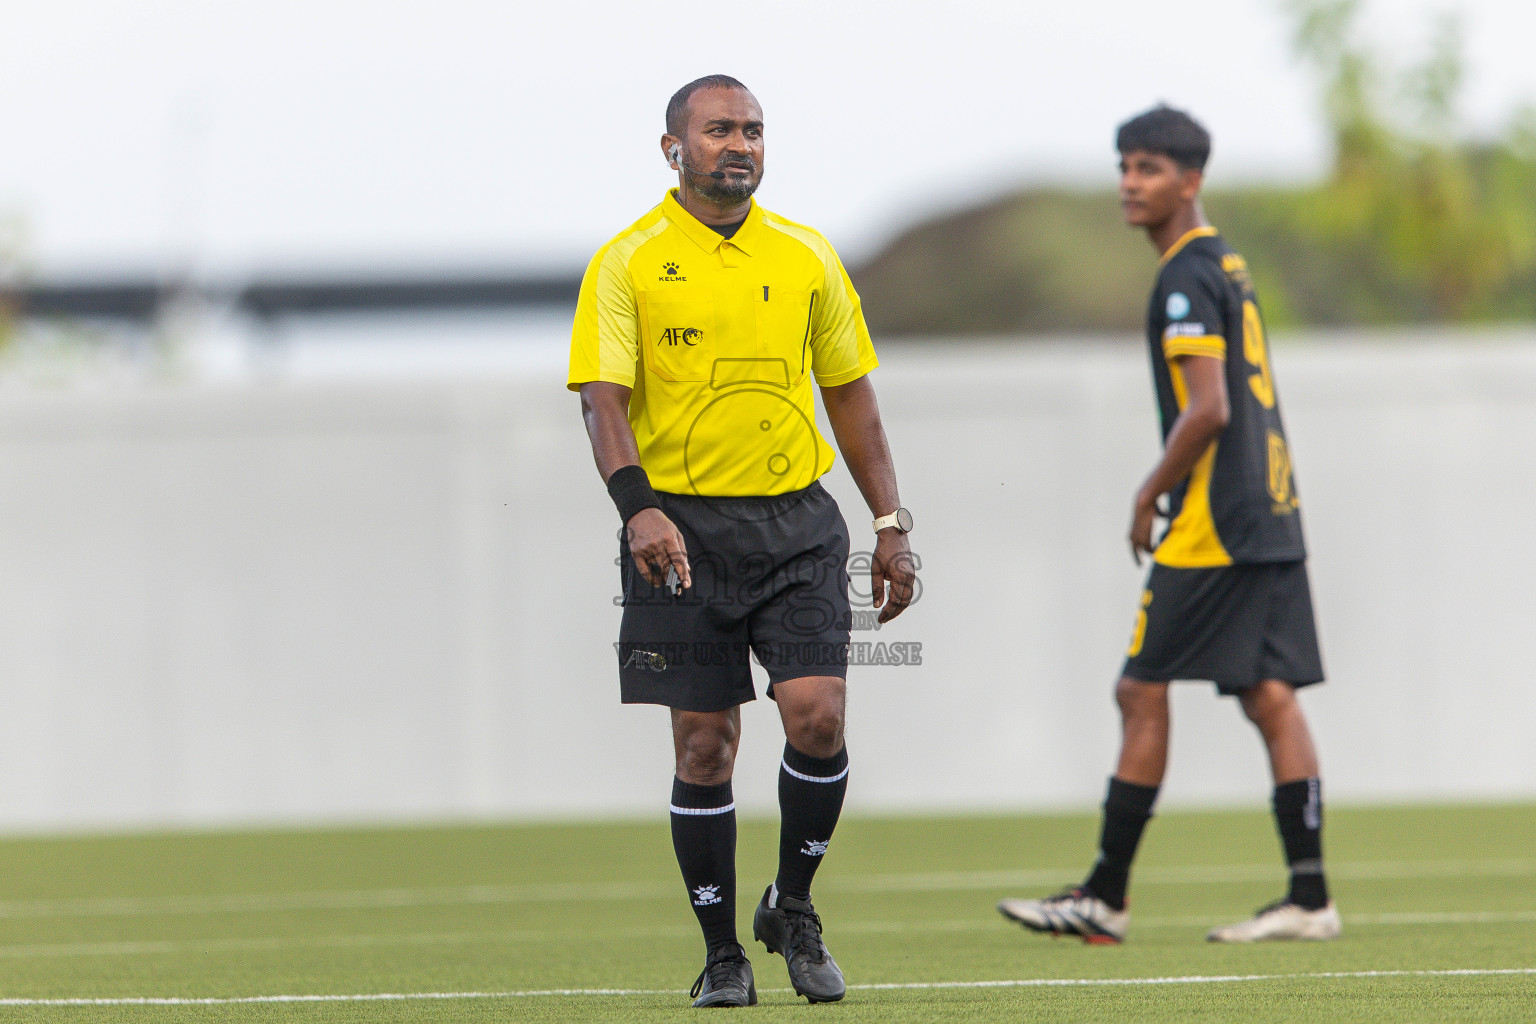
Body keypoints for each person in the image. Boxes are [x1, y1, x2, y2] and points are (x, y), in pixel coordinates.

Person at [568, 74, 916, 1006]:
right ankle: (722, 953)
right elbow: (604, 400)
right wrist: (636, 507)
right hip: (679, 530)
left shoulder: (806, 255)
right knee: (705, 748)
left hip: (798, 525)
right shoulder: (627, 261)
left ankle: (791, 907)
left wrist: (889, 524)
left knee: (820, 716)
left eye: (754, 130)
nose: (741, 144)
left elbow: (850, 395)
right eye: (720, 129)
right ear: (673, 148)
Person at [998, 105, 1339, 945]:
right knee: (1268, 694)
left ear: (1191, 180)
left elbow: (1209, 409)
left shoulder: (1187, 274)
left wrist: (1149, 490)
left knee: (1138, 688)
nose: (1129, 184)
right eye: (1124, 167)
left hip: (1217, 519)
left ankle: (1105, 895)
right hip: (1273, 508)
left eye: (1147, 169)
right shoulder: (1229, 263)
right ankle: (1310, 897)